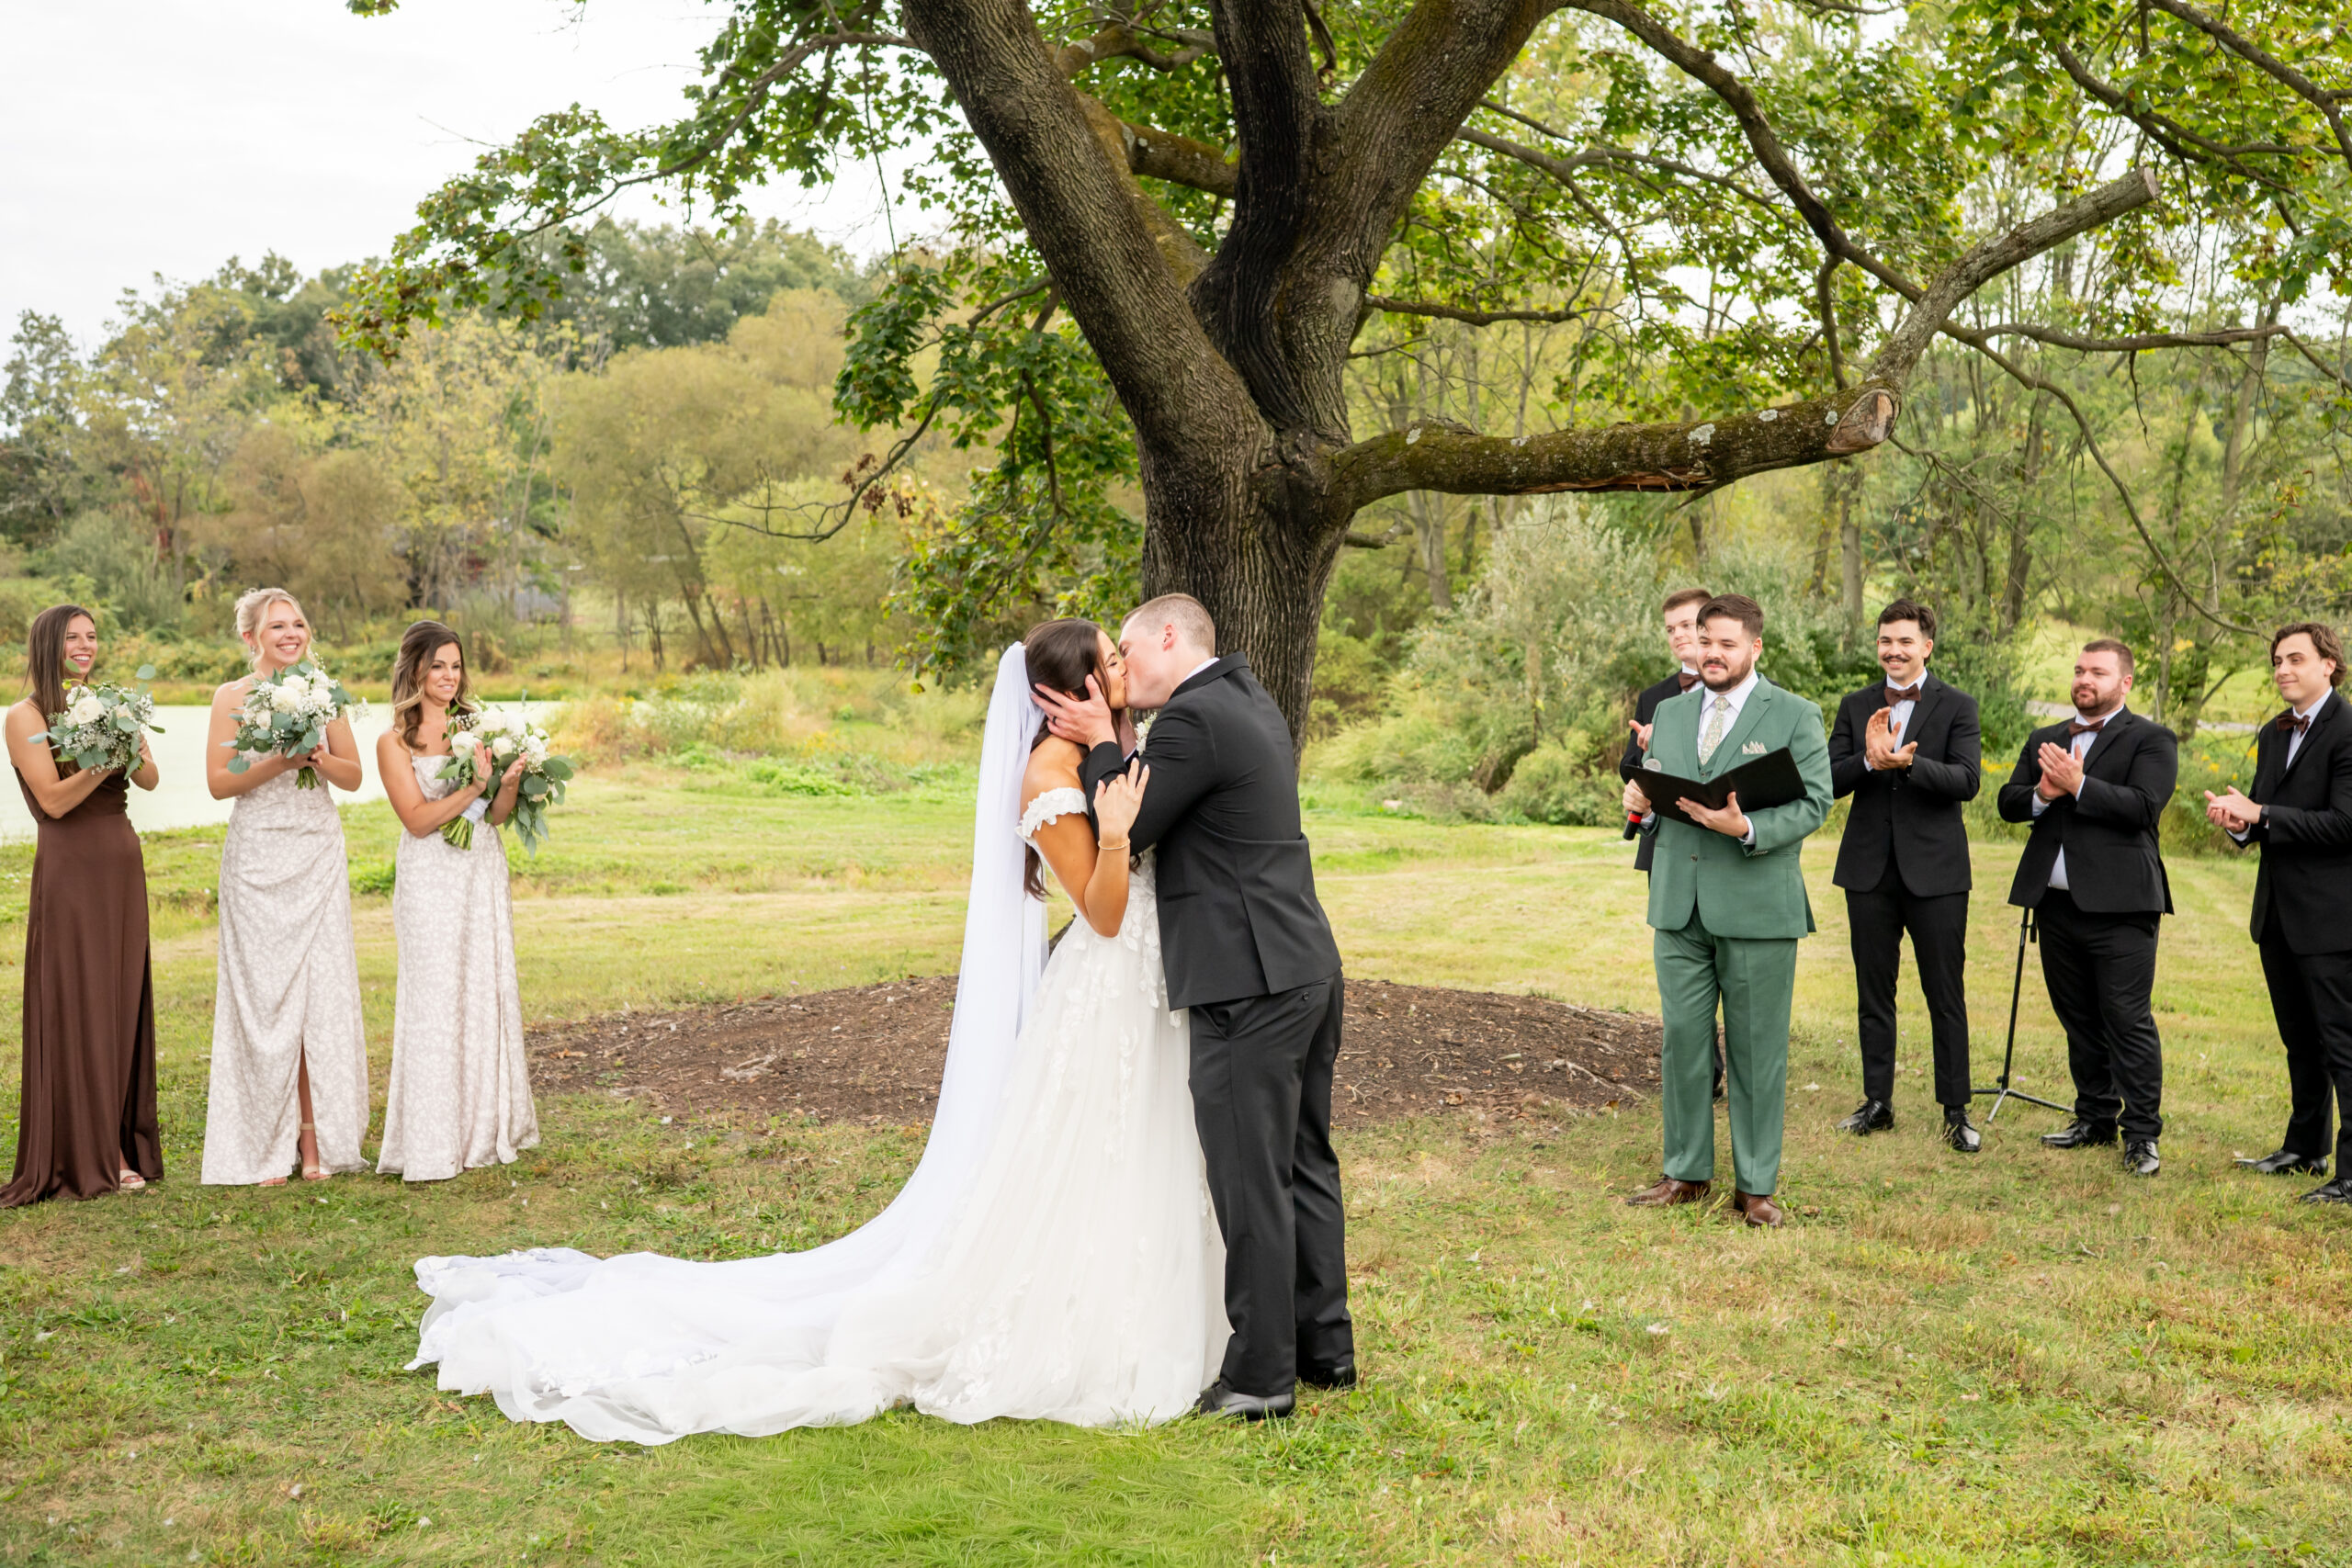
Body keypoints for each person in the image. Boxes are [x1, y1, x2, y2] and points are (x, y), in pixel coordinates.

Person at [401, 623, 1227, 1442]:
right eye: (1109, 660)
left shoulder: (1108, 746)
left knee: (1124, 1148)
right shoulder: (1050, 774)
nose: (1121, 669)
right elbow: (1107, 911)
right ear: (1069, 689)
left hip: (1137, 984)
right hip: (1108, 973)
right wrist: (1115, 829)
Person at [1041, 592, 1352, 1420]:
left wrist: (1101, 743)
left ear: (1169, 637)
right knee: (1302, 1165)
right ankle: (1326, 1349)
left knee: (1250, 1181)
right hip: (1304, 964)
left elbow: (1129, 824)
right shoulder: (1248, 696)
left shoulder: (1192, 719)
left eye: (1128, 656)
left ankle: (1258, 1378)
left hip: (1247, 984)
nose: (1119, 674)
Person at [1619, 594, 1833, 1227]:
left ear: (1755, 647)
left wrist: (1746, 827)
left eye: (1727, 643)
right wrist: (1641, 797)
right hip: (1677, 906)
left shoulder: (1795, 714)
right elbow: (1663, 791)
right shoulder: (1670, 711)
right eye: (1706, 640)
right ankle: (1684, 1171)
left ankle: (1755, 1186)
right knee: (1682, 1041)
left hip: (1756, 907)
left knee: (1755, 1048)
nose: (1713, 652)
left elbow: (1815, 803)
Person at [199, 589, 370, 1187]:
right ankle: (264, 1139)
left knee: (316, 998)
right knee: (264, 999)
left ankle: (315, 1136)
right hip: (256, 855)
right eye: (277, 625)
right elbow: (220, 782)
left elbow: (352, 775)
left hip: (316, 847)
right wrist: (280, 758)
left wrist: (319, 758)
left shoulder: (325, 692)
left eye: (298, 622)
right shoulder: (230, 698)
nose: (291, 632)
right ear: (251, 637)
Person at [1, 604, 163, 1206]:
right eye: (74, 636)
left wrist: (127, 733)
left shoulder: (109, 700)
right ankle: (97, 1153)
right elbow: (54, 799)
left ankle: (118, 1139)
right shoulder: (25, 716)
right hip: (70, 868)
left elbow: (147, 777)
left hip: (120, 860)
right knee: (81, 1001)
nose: (86, 644)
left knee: (118, 1000)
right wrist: (101, 761)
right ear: (49, 643)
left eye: (92, 636)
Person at [1997, 639, 2176, 1178]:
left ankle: (2141, 1133)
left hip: (2121, 906)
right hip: (2054, 905)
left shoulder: (2150, 738)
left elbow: (2143, 807)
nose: (2084, 679)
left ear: (2124, 682)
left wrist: (2080, 785)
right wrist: (2045, 794)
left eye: (2097, 672)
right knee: (2077, 1018)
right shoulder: (2046, 738)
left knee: (2126, 1019)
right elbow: (2009, 802)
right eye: (2078, 670)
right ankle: (2094, 1118)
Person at [374, 622, 539, 1182]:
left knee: (481, 988)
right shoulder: (393, 741)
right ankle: (432, 1136)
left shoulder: (480, 726)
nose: (450, 677)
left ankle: (482, 1128)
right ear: (415, 669)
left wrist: (509, 780)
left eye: (456, 666)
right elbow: (418, 820)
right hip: (429, 876)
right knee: (435, 996)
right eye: (439, 665)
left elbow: (494, 816)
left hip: (479, 870)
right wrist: (471, 788)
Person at [1826, 598, 1984, 1153]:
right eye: (1885, 641)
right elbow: (1829, 779)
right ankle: (1877, 1102)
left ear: (1927, 646)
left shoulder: (1958, 706)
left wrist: (1908, 764)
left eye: (1905, 641)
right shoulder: (1855, 705)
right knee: (1874, 990)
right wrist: (1870, 761)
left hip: (1937, 873)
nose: (1893, 650)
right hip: (1868, 869)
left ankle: (1956, 1109)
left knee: (1946, 992)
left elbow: (1967, 781)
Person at [2204, 622, 2352, 1206]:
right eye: (2276, 661)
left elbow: (2345, 824)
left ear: (2329, 665)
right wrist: (2241, 824)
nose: (2282, 670)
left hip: (2335, 915)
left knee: (2343, 1045)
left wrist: (2261, 813)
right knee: (2300, 1041)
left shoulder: (2348, 730)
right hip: (2278, 913)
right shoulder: (2272, 732)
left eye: (2295, 659)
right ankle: (2305, 1147)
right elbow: (2269, 816)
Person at [1622, 585, 1724, 1100]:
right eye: (1671, 629)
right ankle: (1700, 1068)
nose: (1680, 636)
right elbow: (1630, 768)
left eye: (1688, 625)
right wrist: (1646, 756)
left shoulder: (1739, 694)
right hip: (1664, 843)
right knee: (1682, 963)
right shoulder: (1655, 696)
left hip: (1723, 845)